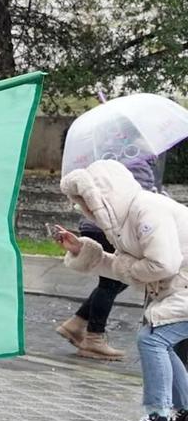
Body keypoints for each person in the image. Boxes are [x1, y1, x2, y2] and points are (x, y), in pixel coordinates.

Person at [54, 159, 188, 421]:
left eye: (87, 201)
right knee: (162, 340)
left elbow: (163, 263)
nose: (85, 209)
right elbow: (121, 266)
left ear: (104, 196)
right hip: (178, 288)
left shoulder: (145, 209)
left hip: (181, 287)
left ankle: (157, 420)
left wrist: (125, 265)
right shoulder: (124, 219)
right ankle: (184, 411)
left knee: (152, 339)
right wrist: (81, 250)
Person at [58, 126, 169, 364]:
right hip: (109, 227)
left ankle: (77, 324)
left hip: (94, 225)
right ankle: (93, 338)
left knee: (113, 282)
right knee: (112, 283)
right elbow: (136, 196)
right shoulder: (134, 159)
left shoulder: (108, 155)